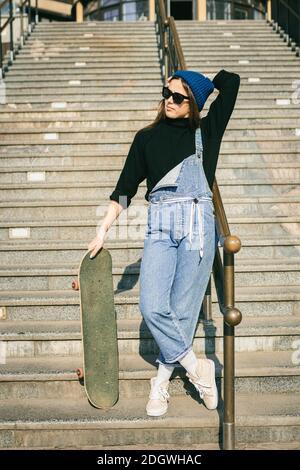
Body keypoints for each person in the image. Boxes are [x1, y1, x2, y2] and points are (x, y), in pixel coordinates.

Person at [88, 69, 240, 417]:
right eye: (166, 93)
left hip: (197, 226)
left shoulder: (207, 131)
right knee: (152, 303)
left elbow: (230, 82)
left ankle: (161, 381)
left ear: (194, 105)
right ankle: (195, 366)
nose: (169, 101)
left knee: (184, 310)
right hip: (160, 224)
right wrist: (103, 229)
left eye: (178, 97)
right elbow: (124, 189)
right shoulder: (146, 138)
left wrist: (200, 84)